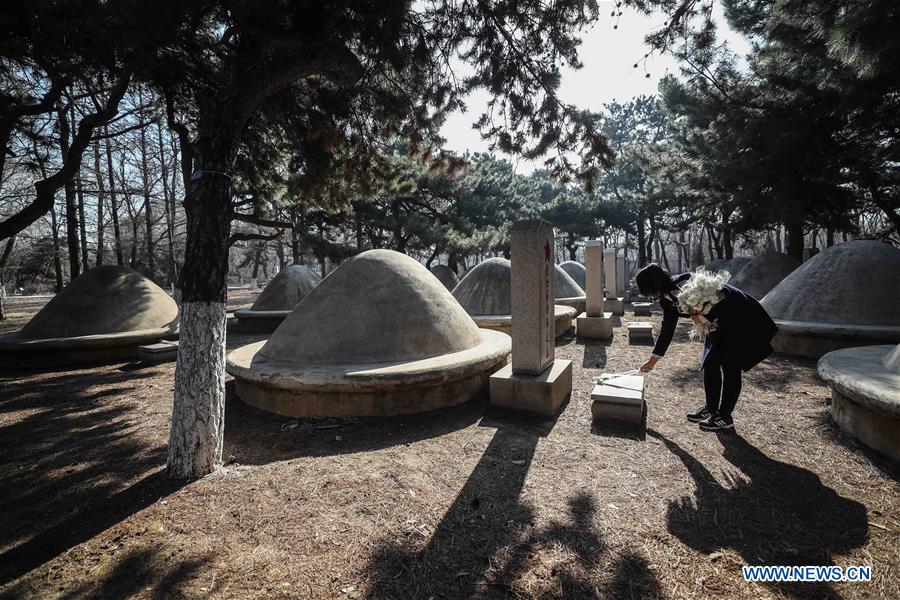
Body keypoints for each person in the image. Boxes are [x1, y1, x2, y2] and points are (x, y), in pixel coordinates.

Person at [635, 263, 777, 432]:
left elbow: (720, 298)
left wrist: (701, 316)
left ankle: (725, 417)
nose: (652, 295)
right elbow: (667, 330)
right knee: (710, 362)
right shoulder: (666, 300)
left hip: (737, 314)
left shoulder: (685, 283)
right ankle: (711, 409)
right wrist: (652, 361)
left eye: (649, 290)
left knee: (730, 366)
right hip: (717, 324)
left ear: (655, 284)